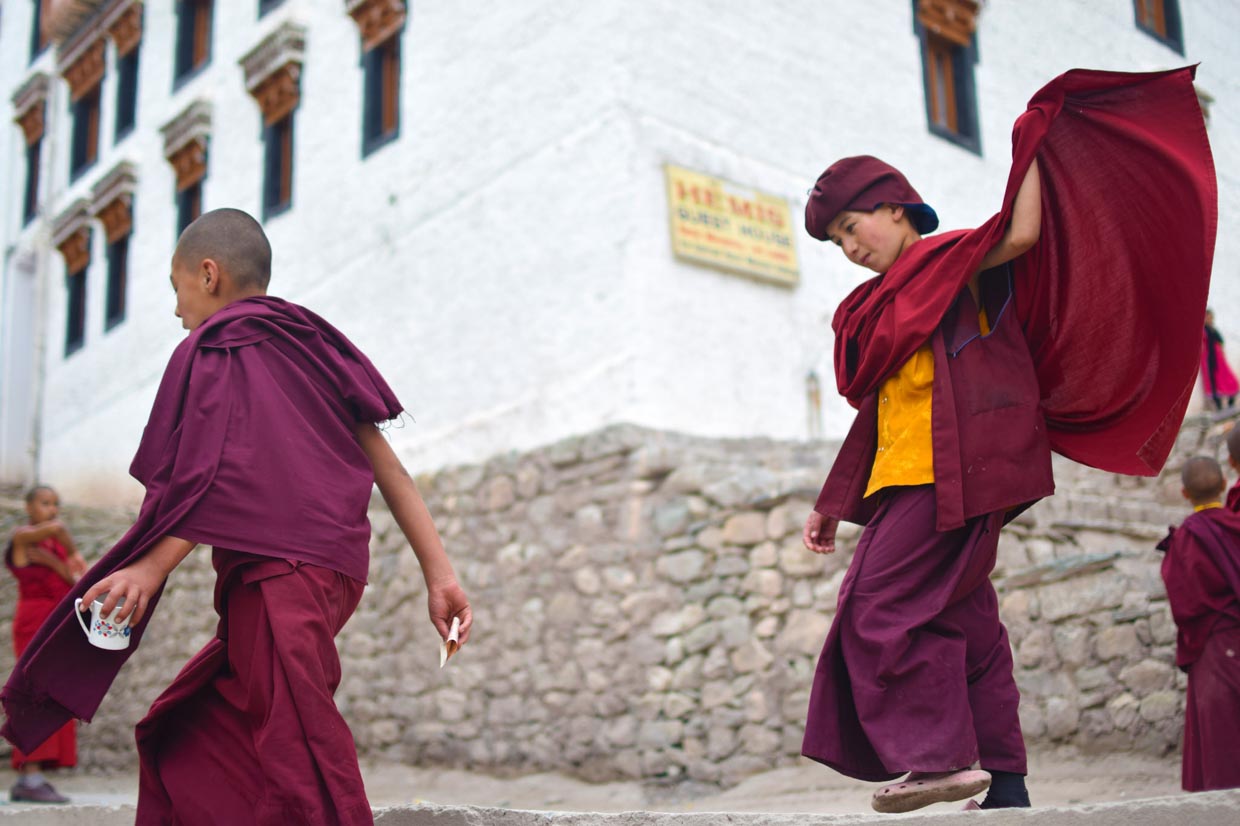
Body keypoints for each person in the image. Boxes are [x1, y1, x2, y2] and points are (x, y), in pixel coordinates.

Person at [799, 67, 1216, 814]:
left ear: (893, 209)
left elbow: (1023, 234)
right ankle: (1007, 785)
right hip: (905, 477)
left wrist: (1035, 140)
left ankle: (937, 762)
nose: (848, 247)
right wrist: (835, 501)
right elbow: (881, 415)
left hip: (952, 475)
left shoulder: (955, 265)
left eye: (850, 226)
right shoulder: (872, 307)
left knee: (879, 607)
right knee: (966, 624)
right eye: (834, 241)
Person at [2, 209, 472, 826]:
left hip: (281, 572)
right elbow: (391, 471)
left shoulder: (225, 344)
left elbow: (217, 473)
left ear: (208, 274)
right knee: (186, 735)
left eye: (177, 290)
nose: (176, 311)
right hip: (327, 573)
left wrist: (149, 569)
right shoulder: (311, 346)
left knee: (301, 746)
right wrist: (440, 575)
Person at [1156, 456, 1240, 792]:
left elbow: (1184, 607)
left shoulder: (1186, 540)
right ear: (1224, 484)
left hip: (1210, 649)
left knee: (1220, 745)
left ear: (1183, 493)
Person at [4, 485, 87, 804]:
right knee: (34, 691)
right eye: (44, 503)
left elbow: (72, 582)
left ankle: (36, 775)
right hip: (33, 622)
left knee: (54, 693)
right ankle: (29, 775)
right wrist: (72, 554)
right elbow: (61, 528)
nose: (51, 509)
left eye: (55, 504)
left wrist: (54, 563)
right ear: (28, 507)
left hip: (56, 622)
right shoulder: (22, 539)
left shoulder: (51, 547)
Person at [1201, 310, 1238, 411]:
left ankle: (1229, 406)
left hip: (1219, 360)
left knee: (1230, 381)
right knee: (1214, 384)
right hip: (1209, 360)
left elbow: (1220, 341)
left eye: (1210, 317)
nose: (1208, 319)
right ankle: (1220, 408)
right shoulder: (1203, 331)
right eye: (1206, 317)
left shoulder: (1213, 329)